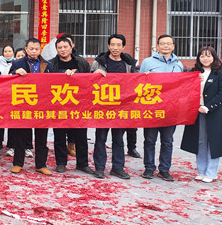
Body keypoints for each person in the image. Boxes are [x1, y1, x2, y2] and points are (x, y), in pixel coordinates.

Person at [181, 47, 222, 183]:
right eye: (202, 56)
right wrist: (194, 80)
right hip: (197, 112)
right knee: (200, 141)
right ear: (198, 58)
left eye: (208, 56)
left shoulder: (220, 73)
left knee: (213, 142)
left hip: (214, 113)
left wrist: (208, 107)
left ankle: (211, 172)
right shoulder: (194, 72)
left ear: (214, 57)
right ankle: (201, 171)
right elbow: (184, 88)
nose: (205, 59)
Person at [89, 33, 136, 180]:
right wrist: (94, 73)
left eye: (118, 45)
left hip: (121, 107)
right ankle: (99, 168)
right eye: (113, 44)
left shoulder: (129, 64)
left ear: (123, 47)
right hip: (103, 106)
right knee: (100, 138)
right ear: (108, 46)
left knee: (118, 139)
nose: (115, 48)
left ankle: (117, 168)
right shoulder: (99, 62)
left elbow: (135, 82)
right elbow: (88, 82)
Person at [139, 34, 183, 181]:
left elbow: (181, 86)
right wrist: (145, 77)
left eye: (168, 43)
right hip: (152, 108)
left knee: (167, 141)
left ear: (173, 46)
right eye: (162, 43)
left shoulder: (179, 64)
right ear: (157, 46)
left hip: (171, 109)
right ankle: (149, 168)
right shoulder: (147, 62)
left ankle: (164, 169)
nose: (165, 46)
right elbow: (139, 84)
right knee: (149, 140)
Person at [48, 35, 91, 174]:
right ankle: (61, 163)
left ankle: (82, 164)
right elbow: (47, 83)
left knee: (81, 137)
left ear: (71, 48)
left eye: (65, 47)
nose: (63, 49)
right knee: (59, 136)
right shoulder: (51, 64)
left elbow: (90, 80)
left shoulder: (82, 63)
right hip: (59, 105)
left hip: (79, 106)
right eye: (59, 47)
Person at [10, 38, 54, 176]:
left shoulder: (48, 65)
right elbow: (8, 80)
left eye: (36, 49)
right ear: (26, 49)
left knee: (42, 136)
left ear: (40, 49)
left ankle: (41, 165)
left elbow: (54, 83)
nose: (34, 51)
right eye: (31, 49)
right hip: (24, 103)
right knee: (21, 136)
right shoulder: (17, 63)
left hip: (42, 105)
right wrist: (15, 73)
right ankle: (18, 163)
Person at [0, 45, 16, 152]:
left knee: (12, 118)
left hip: (12, 94)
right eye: (5, 51)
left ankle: (11, 143)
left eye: (9, 51)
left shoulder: (16, 63)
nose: (7, 53)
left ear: (13, 52)